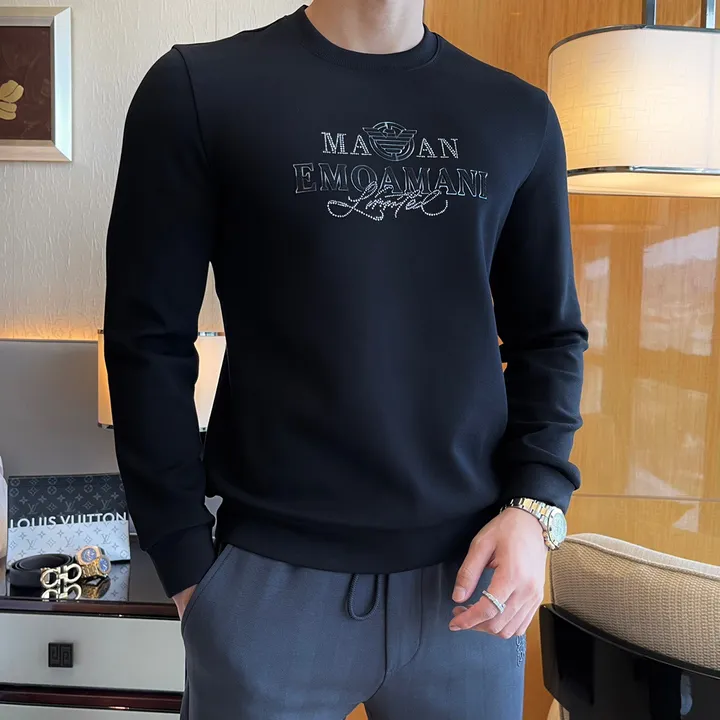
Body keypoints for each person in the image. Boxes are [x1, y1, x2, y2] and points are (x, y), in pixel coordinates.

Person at [104, 1, 587, 718]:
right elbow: (146, 339)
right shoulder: (198, 90)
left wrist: (535, 508)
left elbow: (549, 337)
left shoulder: (518, 116)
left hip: (467, 586)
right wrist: (183, 561)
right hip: (265, 591)